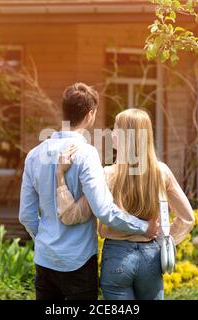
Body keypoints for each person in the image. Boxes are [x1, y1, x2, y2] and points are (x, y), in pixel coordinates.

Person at [19, 83, 159, 300]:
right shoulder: (87, 154)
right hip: (79, 263)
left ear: (63, 111)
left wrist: (46, 240)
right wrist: (143, 227)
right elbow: (104, 211)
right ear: (90, 115)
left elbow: (26, 216)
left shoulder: (34, 155)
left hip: (45, 262)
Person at [56, 108, 195, 300]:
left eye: (116, 129)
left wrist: (60, 178)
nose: (112, 134)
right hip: (151, 256)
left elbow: (72, 215)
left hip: (116, 257)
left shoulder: (106, 175)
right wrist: (166, 240)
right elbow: (187, 217)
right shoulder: (161, 172)